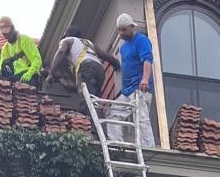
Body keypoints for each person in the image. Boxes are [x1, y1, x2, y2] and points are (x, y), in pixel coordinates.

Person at [108, 12, 155, 147]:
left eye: (124, 29)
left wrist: (145, 79)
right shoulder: (123, 48)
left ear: (132, 27)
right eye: (119, 30)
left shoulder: (142, 40)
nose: (121, 33)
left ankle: (148, 148)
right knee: (114, 113)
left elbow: (147, 60)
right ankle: (117, 145)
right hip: (127, 91)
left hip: (140, 88)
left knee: (141, 118)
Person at [49, 25, 106, 98]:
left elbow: (60, 52)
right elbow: (108, 57)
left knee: (85, 98)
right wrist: (117, 66)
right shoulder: (88, 43)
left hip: (87, 67)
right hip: (100, 70)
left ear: (68, 35)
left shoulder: (68, 40)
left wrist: (51, 73)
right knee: (94, 100)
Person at [0, 17, 43, 84]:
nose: (6, 36)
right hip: (14, 78)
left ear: (13, 28)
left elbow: (37, 59)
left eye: (7, 33)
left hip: (28, 76)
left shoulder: (24, 40)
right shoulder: (5, 48)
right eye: (4, 34)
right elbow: (1, 66)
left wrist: (29, 73)